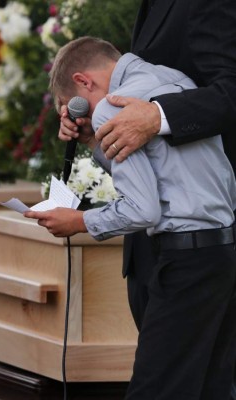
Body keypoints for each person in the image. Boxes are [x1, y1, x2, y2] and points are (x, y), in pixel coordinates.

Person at [25, 36, 236, 400]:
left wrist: (79, 221)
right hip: (223, 253)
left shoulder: (111, 107)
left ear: (83, 82)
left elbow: (143, 208)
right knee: (209, 389)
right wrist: (93, 141)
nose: (84, 115)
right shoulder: (176, 79)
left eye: (76, 106)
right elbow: (162, 167)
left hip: (185, 262)